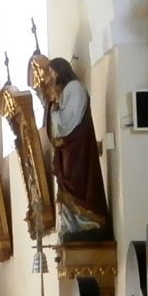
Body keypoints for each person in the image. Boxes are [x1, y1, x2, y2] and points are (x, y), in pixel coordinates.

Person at [41, 56, 110, 238]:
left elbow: (68, 122)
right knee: (68, 186)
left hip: (77, 148)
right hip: (70, 149)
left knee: (79, 183)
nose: (51, 78)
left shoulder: (75, 88)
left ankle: (88, 223)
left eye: (52, 72)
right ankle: (73, 225)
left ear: (61, 70)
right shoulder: (66, 91)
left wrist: (55, 112)